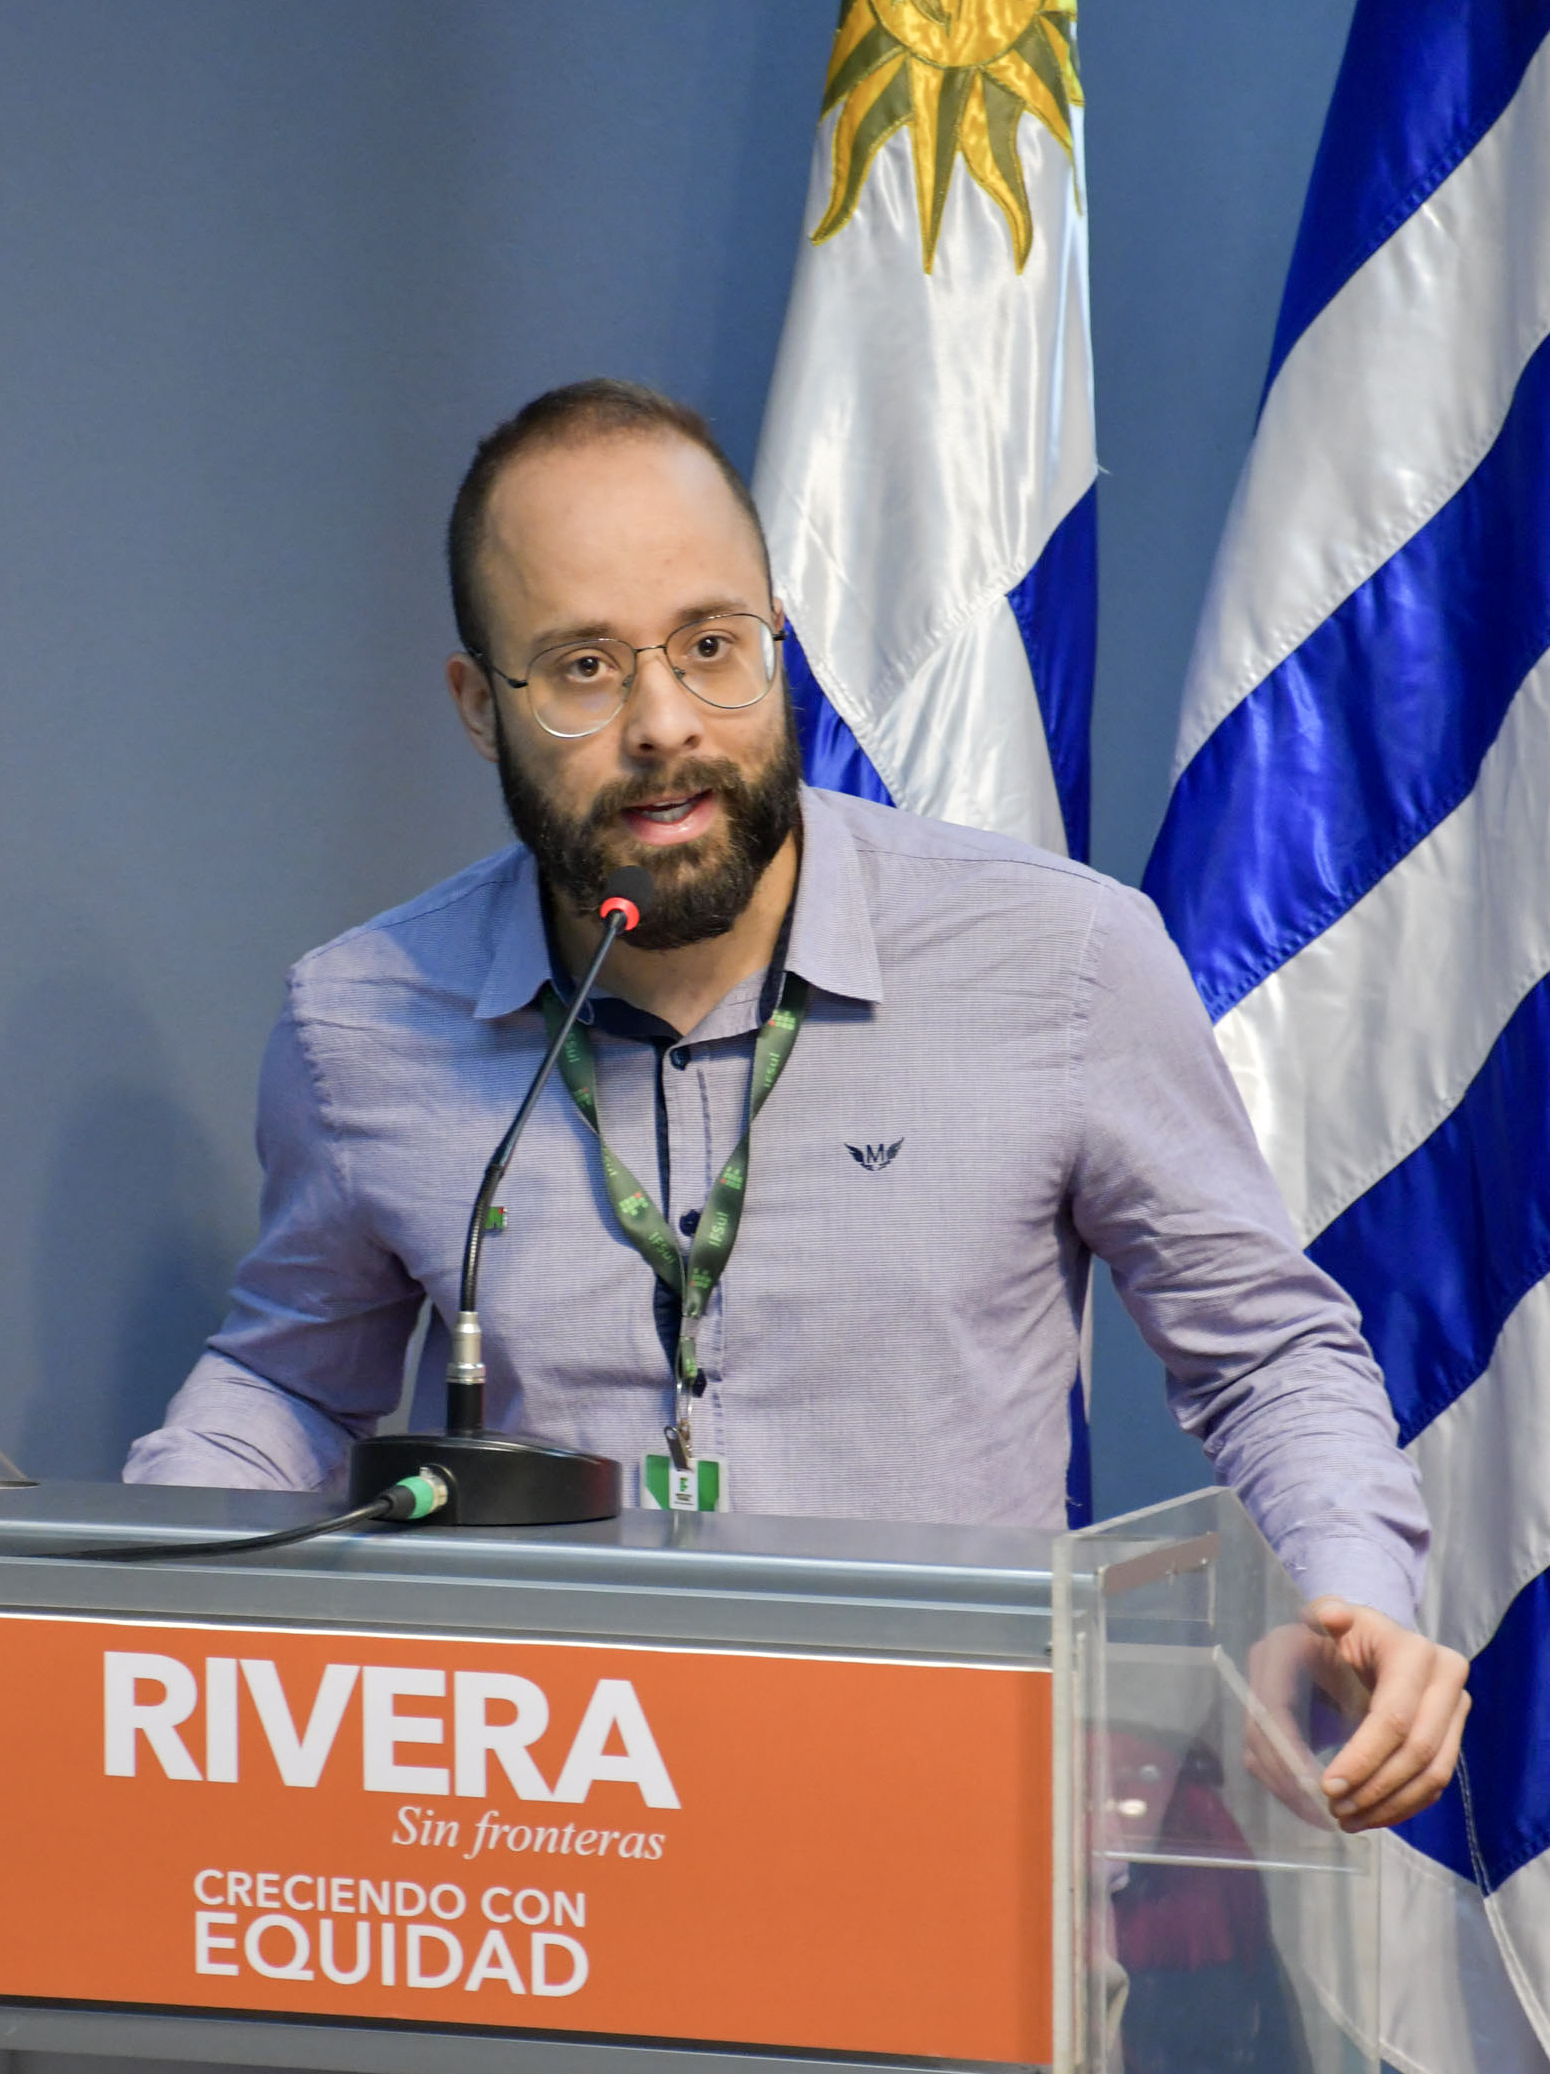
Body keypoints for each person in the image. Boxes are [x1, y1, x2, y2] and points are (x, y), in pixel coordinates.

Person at [127, 378, 1468, 1831]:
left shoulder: (1064, 960)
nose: (664, 724)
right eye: (583, 667)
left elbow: (1266, 1354)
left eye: (713, 647)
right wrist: (108, 1589)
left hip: (948, 1838)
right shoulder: (359, 1024)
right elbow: (289, 1384)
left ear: (777, 641)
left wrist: (1352, 1594)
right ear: (478, 706)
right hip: (544, 1846)